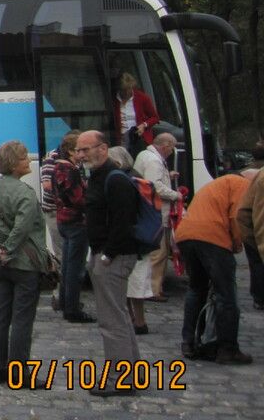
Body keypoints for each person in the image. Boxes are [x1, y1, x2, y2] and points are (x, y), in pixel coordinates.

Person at [0, 140, 48, 385]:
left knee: (0, 314)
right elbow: (23, 227)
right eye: (24, 158)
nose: (28, 161)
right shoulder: (25, 192)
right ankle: (19, 373)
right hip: (25, 263)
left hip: (1, 264)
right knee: (22, 319)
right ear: (15, 164)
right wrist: (8, 249)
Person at [75, 130, 141, 397]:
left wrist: (107, 256)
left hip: (114, 257)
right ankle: (131, 374)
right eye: (78, 151)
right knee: (120, 319)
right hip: (106, 254)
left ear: (103, 149)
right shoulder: (99, 177)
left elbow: (123, 223)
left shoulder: (115, 181)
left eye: (85, 150)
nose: (80, 155)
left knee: (111, 321)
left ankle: (119, 379)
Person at [175, 168, 258, 364]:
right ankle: (227, 348)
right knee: (226, 294)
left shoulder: (217, 184)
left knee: (196, 289)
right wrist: (238, 243)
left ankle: (188, 341)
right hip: (212, 237)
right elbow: (237, 217)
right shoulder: (242, 185)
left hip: (186, 234)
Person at [108, 146, 150, 335]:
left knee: (131, 281)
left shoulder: (122, 180)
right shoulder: (134, 177)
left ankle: (136, 320)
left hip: (131, 240)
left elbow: (123, 215)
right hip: (138, 238)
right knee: (133, 282)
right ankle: (135, 319)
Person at [133, 132, 181, 301]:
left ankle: (151, 287)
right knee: (159, 253)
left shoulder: (144, 155)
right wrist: (175, 195)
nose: (171, 151)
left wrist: (169, 175)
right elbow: (155, 186)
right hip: (157, 212)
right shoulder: (154, 161)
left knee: (156, 252)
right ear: (165, 145)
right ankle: (154, 289)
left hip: (149, 210)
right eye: (172, 147)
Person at [52, 131, 93, 323]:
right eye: (79, 149)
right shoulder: (72, 170)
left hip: (63, 219)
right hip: (76, 222)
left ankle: (64, 301)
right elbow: (78, 199)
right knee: (75, 268)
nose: (83, 154)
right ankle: (72, 308)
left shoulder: (57, 168)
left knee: (67, 266)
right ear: (70, 151)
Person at [40, 131, 78, 307]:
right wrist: (70, 192)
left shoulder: (75, 162)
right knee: (62, 255)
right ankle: (61, 296)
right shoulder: (53, 158)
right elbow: (47, 184)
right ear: (71, 149)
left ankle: (65, 296)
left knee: (68, 256)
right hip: (56, 212)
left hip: (67, 213)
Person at [236, 141, 264, 311]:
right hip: (254, 230)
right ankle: (260, 298)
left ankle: (259, 297)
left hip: (252, 227)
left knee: (256, 265)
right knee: (258, 264)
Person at [112, 72, 159, 154]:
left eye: (129, 89)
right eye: (124, 90)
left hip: (139, 139)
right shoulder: (114, 100)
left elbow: (155, 117)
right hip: (122, 139)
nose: (127, 92)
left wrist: (144, 125)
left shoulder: (142, 98)